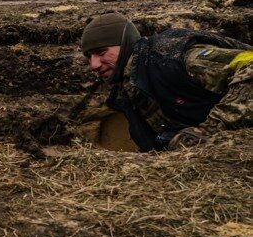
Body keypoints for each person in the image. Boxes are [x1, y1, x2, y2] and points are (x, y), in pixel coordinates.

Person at [80, 12, 253, 152]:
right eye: (89, 57)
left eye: (101, 52)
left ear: (125, 44)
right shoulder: (127, 91)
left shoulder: (173, 59)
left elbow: (250, 65)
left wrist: (210, 129)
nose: (93, 65)